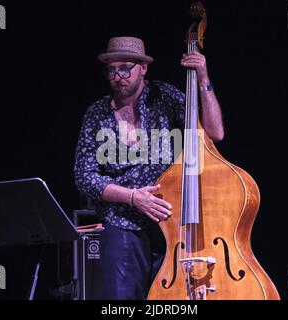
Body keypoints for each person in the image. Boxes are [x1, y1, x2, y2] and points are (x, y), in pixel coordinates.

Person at [74, 36, 224, 299]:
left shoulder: (165, 97)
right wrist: (133, 197)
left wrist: (202, 78)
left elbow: (214, 133)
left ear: (143, 68)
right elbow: (84, 175)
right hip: (122, 223)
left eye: (124, 68)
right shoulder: (96, 113)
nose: (117, 76)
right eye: (111, 69)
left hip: (171, 223)